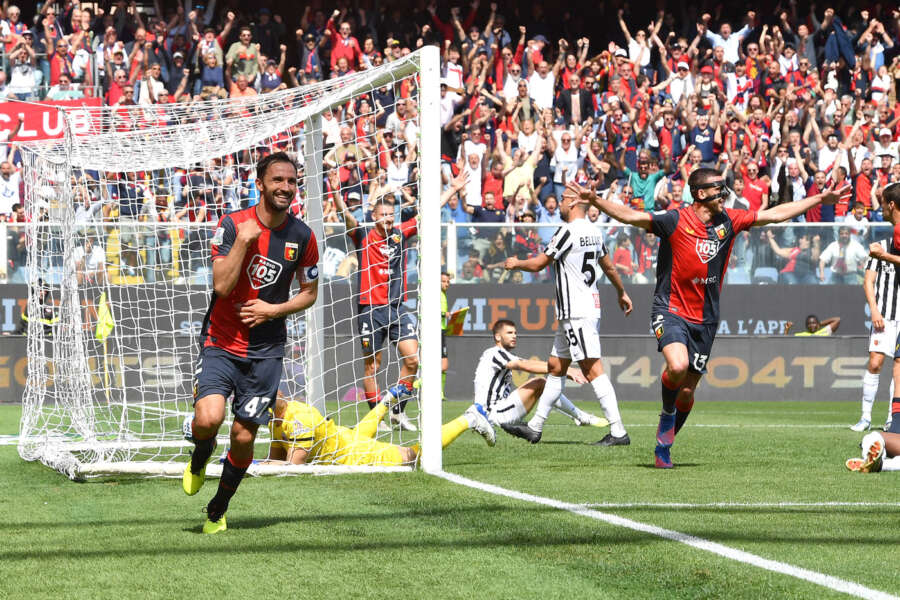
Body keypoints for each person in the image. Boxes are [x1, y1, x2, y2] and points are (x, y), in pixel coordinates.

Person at [568, 169, 849, 468]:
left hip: (707, 318)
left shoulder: (730, 220)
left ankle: (664, 444)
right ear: (701, 194)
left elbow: (777, 215)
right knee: (677, 365)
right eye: (719, 189)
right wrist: (596, 200)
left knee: (687, 390)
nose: (724, 193)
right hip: (670, 308)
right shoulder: (674, 220)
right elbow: (630, 217)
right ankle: (666, 416)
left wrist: (819, 198)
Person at [181, 152, 320, 534]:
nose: (286, 188)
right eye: (278, 180)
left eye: (291, 182)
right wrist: (243, 242)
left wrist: (272, 311)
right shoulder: (232, 225)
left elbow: (310, 293)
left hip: (266, 352)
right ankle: (201, 453)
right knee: (208, 419)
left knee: (244, 436)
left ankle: (218, 507)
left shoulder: (303, 237)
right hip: (222, 341)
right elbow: (222, 286)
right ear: (260, 184)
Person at [500, 187, 634, 445]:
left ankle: (618, 432)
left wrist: (516, 263)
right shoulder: (595, 233)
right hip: (579, 310)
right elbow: (608, 266)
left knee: (593, 369)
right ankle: (535, 428)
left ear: (573, 203)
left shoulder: (566, 232)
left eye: (562, 199)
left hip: (576, 311)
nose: (560, 203)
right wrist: (621, 292)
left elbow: (540, 263)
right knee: (556, 367)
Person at [333, 192, 420, 431]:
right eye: (383, 215)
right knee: (373, 366)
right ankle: (375, 418)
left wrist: (453, 188)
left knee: (412, 359)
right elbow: (345, 216)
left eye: (391, 215)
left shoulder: (400, 235)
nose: (388, 219)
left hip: (397, 307)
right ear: (374, 216)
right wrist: (334, 192)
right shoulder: (362, 235)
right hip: (370, 309)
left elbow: (428, 212)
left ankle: (398, 412)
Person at [267, 391, 495, 466]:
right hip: (344, 441)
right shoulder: (275, 418)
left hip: (353, 455)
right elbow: (274, 459)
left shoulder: (300, 420)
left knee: (410, 456)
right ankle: (386, 402)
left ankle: (469, 419)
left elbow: (291, 467)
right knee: (356, 437)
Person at [476, 319, 609, 435]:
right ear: (498, 337)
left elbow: (525, 363)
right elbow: (525, 365)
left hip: (498, 412)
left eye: (515, 333)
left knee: (544, 385)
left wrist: (561, 370)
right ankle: (581, 417)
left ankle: (578, 417)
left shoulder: (501, 354)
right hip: (493, 415)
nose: (514, 336)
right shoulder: (494, 353)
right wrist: (564, 369)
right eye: (509, 333)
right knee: (541, 383)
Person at [851, 188, 900, 432]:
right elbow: (868, 281)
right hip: (886, 315)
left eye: (882, 203)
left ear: (891, 204)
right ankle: (865, 418)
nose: (879, 208)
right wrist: (875, 310)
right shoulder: (879, 246)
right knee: (875, 362)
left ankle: (892, 419)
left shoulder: (885, 250)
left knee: (898, 369)